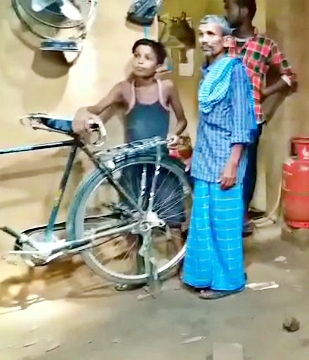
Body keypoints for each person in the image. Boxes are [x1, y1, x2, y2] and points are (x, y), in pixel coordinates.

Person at [73, 38, 189, 291]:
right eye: (137, 55)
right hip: (134, 165)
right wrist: (84, 112)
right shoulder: (124, 89)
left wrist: (175, 134)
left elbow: (182, 120)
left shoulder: (166, 88)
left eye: (147, 57)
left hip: (161, 162)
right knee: (131, 220)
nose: (140, 61)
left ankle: (182, 266)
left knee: (173, 219)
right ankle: (136, 273)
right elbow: (96, 108)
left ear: (159, 65)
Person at [181, 15, 256, 300]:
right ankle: (203, 275)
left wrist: (233, 164)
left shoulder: (235, 71)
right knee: (203, 221)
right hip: (206, 158)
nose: (204, 40)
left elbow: (241, 120)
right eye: (201, 34)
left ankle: (228, 281)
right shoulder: (208, 71)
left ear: (226, 41)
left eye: (210, 34)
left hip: (226, 158)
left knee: (224, 223)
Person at [224, 0, 297, 235]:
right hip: (222, 117)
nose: (226, 12)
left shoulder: (266, 45)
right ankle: (224, 213)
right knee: (222, 165)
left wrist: (264, 93)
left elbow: (289, 76)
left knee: (247, 168)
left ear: (244, 11)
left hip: (251, 117)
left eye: (229, 7)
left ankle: (242, 214)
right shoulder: (224, 41)